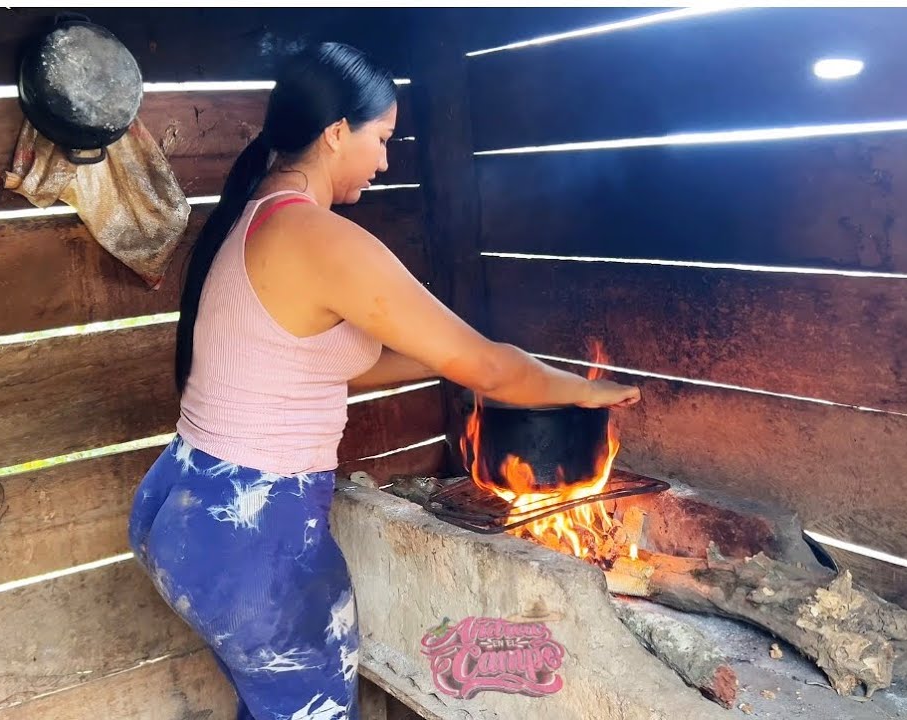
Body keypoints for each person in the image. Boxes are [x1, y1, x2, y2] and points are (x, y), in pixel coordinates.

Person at [128, 42, 641, 719]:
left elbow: (344, 363)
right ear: (337, 133)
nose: (386, 159)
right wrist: (582, 390)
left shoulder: (258, 220)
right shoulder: (317, 236)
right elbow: (490, 366)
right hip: (253, 540)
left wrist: (450, 358)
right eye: (382, 138)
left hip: (185, 503)